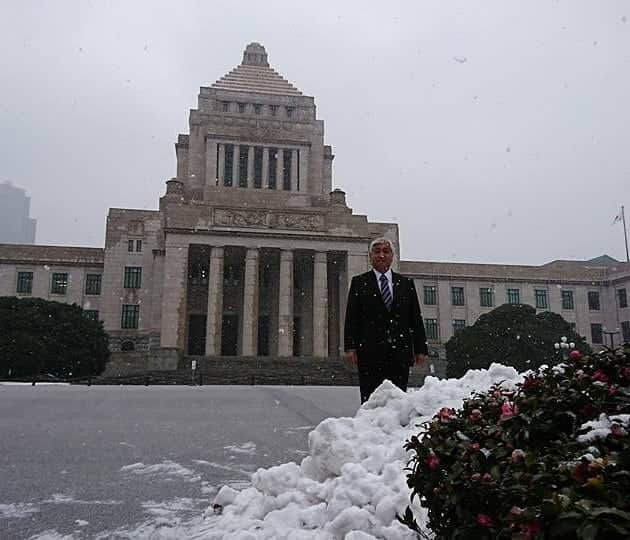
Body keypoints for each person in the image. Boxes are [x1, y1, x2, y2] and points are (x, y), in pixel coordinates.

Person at [344, 237, 428, 403]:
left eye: (386, 251)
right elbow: (352, 317)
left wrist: (420, 348)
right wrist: (350, 347)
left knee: (398, 401)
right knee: (371, 400)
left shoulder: (405, 283)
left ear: (392, 256)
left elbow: (415, 317)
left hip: (399, 352)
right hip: (369, 351)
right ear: (370, 256)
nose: (381, 255)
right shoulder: (359, 283)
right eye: (377, 251)